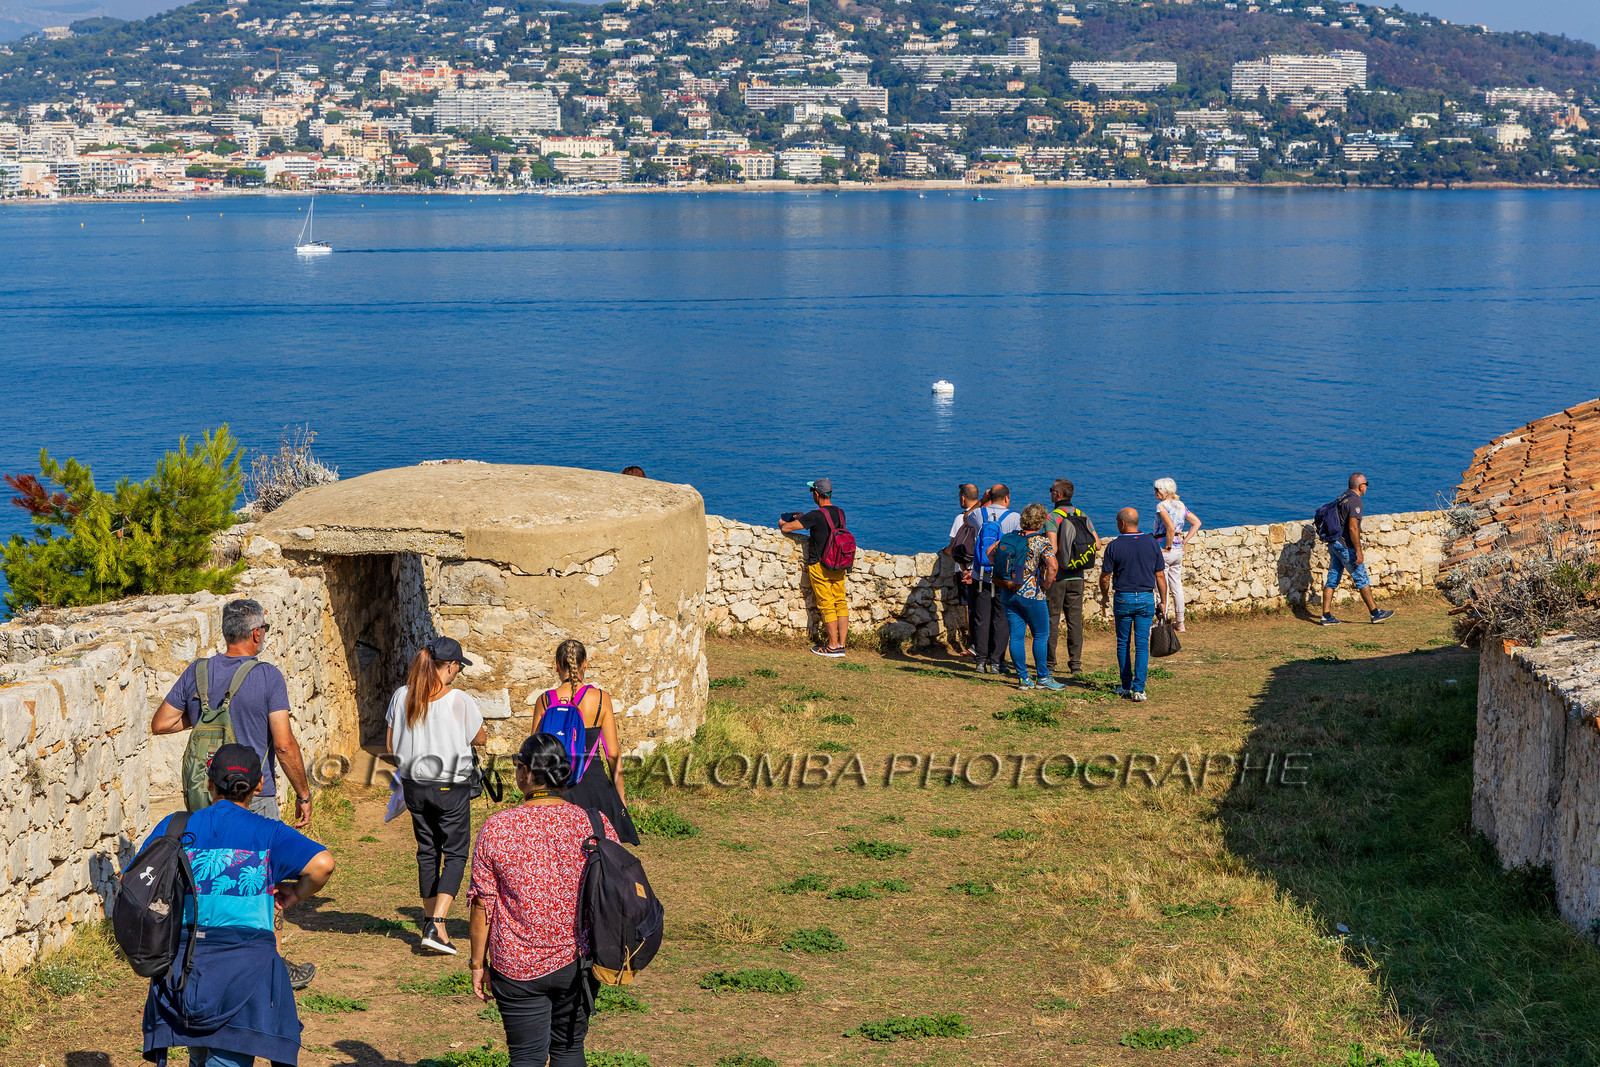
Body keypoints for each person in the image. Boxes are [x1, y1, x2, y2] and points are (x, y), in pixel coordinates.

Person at [150, 598, 317, 989]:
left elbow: (162, 722)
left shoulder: (199, 671)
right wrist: (303, 793)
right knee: (263, 880)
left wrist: (205, 715)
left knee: (208, 876)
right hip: (253, 795)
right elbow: (284, 744)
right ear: (256, 633)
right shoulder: (267, 677)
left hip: (206, 795)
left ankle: (201, 952)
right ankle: (270, 963)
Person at [140, 744, 336, 1067]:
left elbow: (135, 880)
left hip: (185, 970)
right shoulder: (268, 832)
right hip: (244, 971)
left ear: (209, 784)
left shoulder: (175, 827)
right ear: (259, 786)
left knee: (198, 1053)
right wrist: (292, 894)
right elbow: (323, 864)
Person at [469, 733, 621, 1067]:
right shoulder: (595, 823)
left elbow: (483, 904)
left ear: (524, 772)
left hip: (516, 964)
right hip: (579, 960)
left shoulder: (497, 827)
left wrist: (478, 964)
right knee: (569, 1050)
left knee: (526, 1057)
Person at [385, 636, 487, 956]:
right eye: (457, 666)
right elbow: (480, 738)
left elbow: (390, 747)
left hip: (414, 785)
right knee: (455, 853)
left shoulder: (402, 696)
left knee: (427, 851)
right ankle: (437, 922)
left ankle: (432, 923)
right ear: (450, 666)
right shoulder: (459, 700)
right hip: (450, 786)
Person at [531, 638, 640, 845]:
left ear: (556, 665)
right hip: (594, 786)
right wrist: (620, 799)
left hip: (556, 789)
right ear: (585, 664)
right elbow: (612, 754)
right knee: (600, 855)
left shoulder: (544, 701)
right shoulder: (600, 699)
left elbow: (534, 751)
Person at [1098, 507, 1168, 702]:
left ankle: (1125, 685)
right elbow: (1160, 575)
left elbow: (1105, 578)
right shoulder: (1152, 543)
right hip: (1146, 598)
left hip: (1123, 598)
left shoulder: (1114, 546)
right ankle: (1139, 689)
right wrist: (1163, 601)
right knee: (1142, 644)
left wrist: (1104, 596)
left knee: (1123, 642)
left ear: (1122, 523)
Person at [991, 503, 1062, 690]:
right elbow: (1053, 567)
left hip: (1008, 591)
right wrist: (1045, 584)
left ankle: (1023, 679)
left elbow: (990, 553)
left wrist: (1004, 574)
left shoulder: (1010, 538)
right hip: (1032, 594)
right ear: (1041, 521)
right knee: (1040, 635)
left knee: (1016, 636)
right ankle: (1043, 678)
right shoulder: (1041, 542)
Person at [779, 477, 851, 658]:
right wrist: (806, 520)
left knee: (827, 605)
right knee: (840, 602)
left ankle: (832, 647)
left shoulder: (815, 515)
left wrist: (783, 523)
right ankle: (841, 644)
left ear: (817, 494)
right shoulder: (840, 512)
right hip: (838, 563)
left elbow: (788, 528)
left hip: (820, 565)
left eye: (812, 492)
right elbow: (824, 527)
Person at [1320, 472, 1396, 625]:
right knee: (1361, 578)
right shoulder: (1355, 501)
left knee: (1332, 579)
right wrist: (1358, 551)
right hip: (1345, 546)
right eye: (1366, 484)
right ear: (1361, 486)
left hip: (1334, 543)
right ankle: (1375, 613)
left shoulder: (1343, 497)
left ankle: (1326, 616)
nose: (1366, 487)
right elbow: (1353, 528)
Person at [1044, 479, 1100, 678]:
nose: (1050, 493)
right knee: (1074, 622)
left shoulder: (1052, 518)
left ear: (1058, 495)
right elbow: (1098, 544)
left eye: (1051, 490)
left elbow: (1053, 549)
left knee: (1051, 620)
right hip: (1078, 576)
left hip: (1058, 578)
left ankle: (1050, 665)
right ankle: (1075, 665)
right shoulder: (1082, 515)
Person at [967, 484, 1019, 674]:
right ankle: (997, 662)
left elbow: (966, 519)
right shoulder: (1015, 518)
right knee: (1001, 619)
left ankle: (980, 661)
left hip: (980, 575)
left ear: (990, 496)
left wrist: (981, 501)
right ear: (1007, 498)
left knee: (981, 619)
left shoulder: (979, 514)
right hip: (1003, 577)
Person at [1152, 478, 1202, 634]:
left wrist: (1167, 547)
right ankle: (1180, 623)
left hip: (1164, 549)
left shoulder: (1162, 506)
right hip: (1178, 549)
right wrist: (1184, 540)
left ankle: (1162, 622)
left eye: (1157, 490)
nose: (1155, 493)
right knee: (1177, 586)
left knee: (1162, 586)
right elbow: (1197, 523)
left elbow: (1170, 528)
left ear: (1163, 492)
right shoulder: (1181, 505)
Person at [940, 483, 982, 656]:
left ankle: (972, 642)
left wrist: (944, 552)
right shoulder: (983, 515)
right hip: (982, 569)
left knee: (969, 608)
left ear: (963, 498)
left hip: (965, 570)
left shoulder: (961, 518)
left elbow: (952, 548)